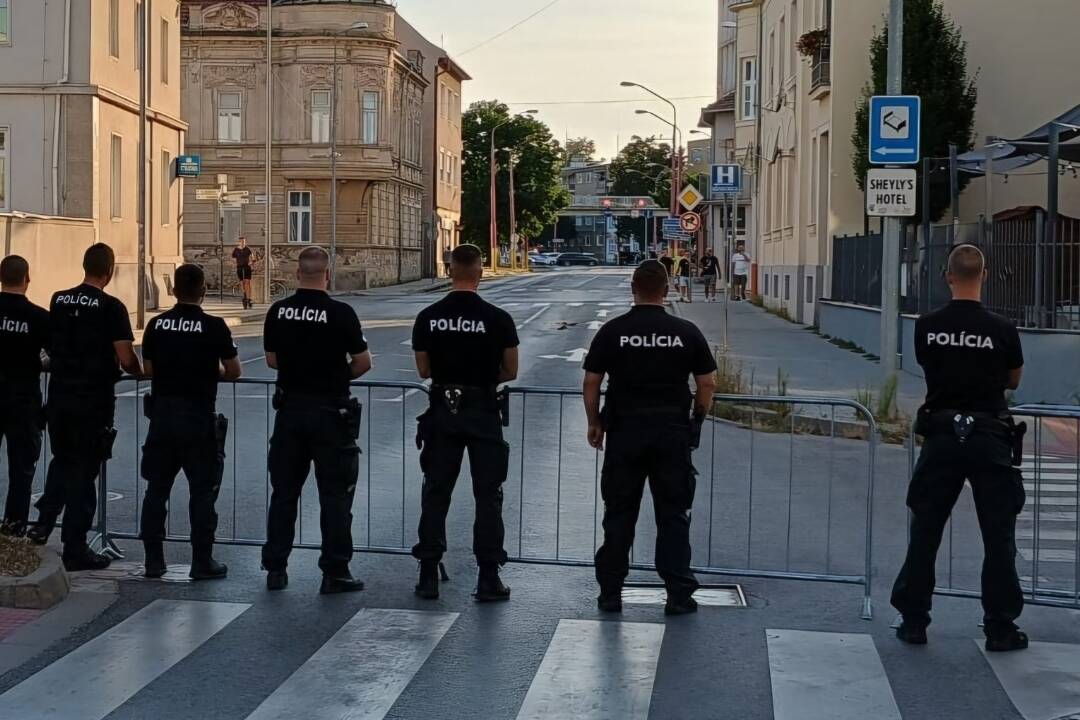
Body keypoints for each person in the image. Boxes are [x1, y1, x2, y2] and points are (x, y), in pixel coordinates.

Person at [891, 244, 1029, 653]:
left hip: (942, 435)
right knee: (998, 533)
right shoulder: (1003, 328)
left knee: (926, 530)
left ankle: (914, 620)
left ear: (947, 276)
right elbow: (1014, 380)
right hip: (990, 435)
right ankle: (1000, 627)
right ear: (983, 276)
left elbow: (929, 368)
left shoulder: (927, 326)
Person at [583, 260, 717, 615]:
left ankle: (610, 592)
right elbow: (707, 383)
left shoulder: (613, 331)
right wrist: (696, 422)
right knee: (673, 515)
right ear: (667, 289)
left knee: (619, 514)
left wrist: (594, 421)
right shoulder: (685, 331)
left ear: (633, 288)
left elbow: (591, 381)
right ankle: (677, 594)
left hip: (625, 433)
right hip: (671, 434)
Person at [411, 244, 519, 602]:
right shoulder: (498, 318)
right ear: (480, 271)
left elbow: (423, 370)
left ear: (450, 269)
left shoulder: (429, 316)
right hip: (483, 409)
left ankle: (428, 573)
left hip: (442, 408)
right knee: (488, 495)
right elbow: (511, 370)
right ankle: (488, 576)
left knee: (436, 491)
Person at [262, 246, 371, 594]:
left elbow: (271, 360)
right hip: (330, 414)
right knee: (335, 496)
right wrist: (335, 377)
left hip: (291, 412)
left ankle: (276, 568)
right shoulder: (341, 313)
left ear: (298, 274)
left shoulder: (279, 312)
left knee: (284, 494)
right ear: (327, 274)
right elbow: (363, 362)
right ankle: (335, 571)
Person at [28, 244, 142, 570]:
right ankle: (75, 547)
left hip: (60, 398)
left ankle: (43, 524)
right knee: (84, 474)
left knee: (62, 461)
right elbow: (125, 357)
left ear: (84, 266)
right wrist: (138, 369)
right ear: (110, 271)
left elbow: (54, 346)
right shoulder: (111, 307)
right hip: (92, 402)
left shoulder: (59, 299)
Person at [139, 265, 241, 580]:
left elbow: (148, 369)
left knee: (156, 490)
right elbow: (233, 370)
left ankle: (153, 561)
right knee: (202, 492)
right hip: (198, 418)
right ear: (204, 291)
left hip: (163, 417)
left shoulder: (157, 325)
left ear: (173, 292)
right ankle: (202, 561)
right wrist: (213, 374)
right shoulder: (214, 326)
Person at [0, 256, 50, 537]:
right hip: (22, 400)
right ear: (27, 278)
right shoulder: (39, 317)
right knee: (22, 467)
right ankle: (13, 527)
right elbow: (54, 354)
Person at [232, 237, 255, 309]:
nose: (243, 243)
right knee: (242, 282)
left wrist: (251, 262)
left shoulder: (248, 249)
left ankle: (249, 298)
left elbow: (253, 257)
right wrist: (234, 264)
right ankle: (244, 295)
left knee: (247, 282)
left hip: (247, 267)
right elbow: (232, 258)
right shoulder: (236, 250)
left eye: (244, 242)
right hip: (239, 267)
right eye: (241, 242)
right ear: (239, 242)